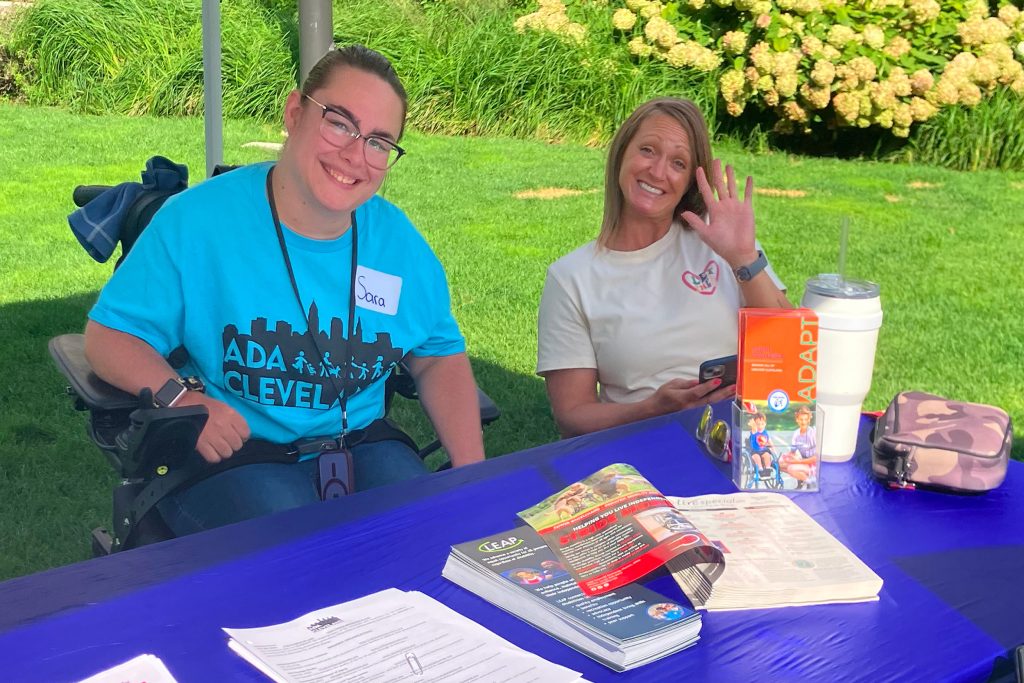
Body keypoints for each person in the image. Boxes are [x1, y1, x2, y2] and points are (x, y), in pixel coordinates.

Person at [84, 44, 485, 536]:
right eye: (340, 122)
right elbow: (108, 337)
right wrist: (181, 401)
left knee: (429, 535)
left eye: (380, 142)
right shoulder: (198, 222)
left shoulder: (398, 244)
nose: (355, 154)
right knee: (299, 555)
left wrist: (472, 478)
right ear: (295, 112)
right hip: (235, 448)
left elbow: (437, 354)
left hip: (357, 440)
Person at [536, 97, 790, 438]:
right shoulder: (572, 278)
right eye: (647, 150)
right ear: (621, 153)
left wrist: (743, 258)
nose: (658, 172)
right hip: (643, 452)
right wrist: (652, 410)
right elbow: (572, 415)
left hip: (750, 442)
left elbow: (790, 349)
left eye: (678, 163)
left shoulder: (721, 238)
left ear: (690, 181)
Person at [780, 405, 818, 488]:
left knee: (791, 468)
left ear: (809, 420)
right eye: (801, 419)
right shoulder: (796, 433)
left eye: (805, 419)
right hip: (803, 461)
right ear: (797, 420)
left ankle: (810, 481)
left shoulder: (812, 434)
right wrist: (788, 457)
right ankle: (801, 478)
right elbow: (792, 451)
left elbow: (816, 458)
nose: (803, 422)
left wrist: (797, 462)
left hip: (813, 464)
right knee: (779, 463)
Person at [747, 412, 776, 476]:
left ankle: (768, 468)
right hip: (755, 451)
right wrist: (752, 424)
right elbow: (753, 427)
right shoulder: (754, 431)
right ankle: (760, 469)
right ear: (755, 424)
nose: (760, 426)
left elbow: (769, 441)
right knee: (756, 457)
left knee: (767, 455)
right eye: (758, 424)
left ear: (765, 424)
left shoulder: (765, 432)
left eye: (762, 424)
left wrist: (773, 449)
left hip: (763, 450)